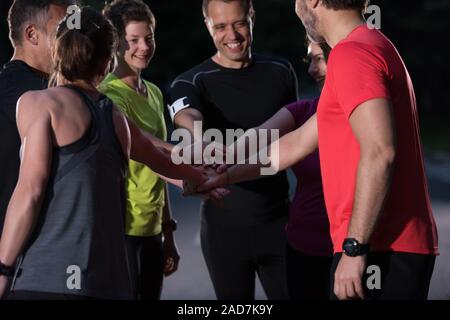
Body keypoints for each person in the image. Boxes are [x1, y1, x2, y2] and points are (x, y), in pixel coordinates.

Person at [200, 0, 439, 300]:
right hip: (379, 246)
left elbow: (380, 151)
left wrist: (354, 248)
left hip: (382, 247)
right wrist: (225, 176)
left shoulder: (353, 54)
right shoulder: (363, 46)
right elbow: (297, 143)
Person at [0, 6, 219, 300]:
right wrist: (203, 177)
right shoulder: (113, 114)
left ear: (59, 52)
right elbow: (160, 158)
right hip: (106, 282)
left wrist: (3, 271)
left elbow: (30, 192)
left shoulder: (38, 104)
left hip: (45, 278)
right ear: (107, 63)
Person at [168, 0, 299, 299]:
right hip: (224, 233)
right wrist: (201, 139)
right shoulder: (191, 80)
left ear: (252, 16)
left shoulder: (281, 71)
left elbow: (296, 137)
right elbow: (185, 114)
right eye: (221, 26)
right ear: (207, 26)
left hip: (282, 225)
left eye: (239, 23)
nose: (233, 35)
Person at [99, 0, 178, 300]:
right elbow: (148, 146)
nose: (144, 47)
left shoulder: (155, 92)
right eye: (134, 40)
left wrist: (168, 233)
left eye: (149, 38)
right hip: (123, 230)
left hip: (153, 230)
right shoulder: (108, 94)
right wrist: (196, 159)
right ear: (116, 44)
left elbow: (160, 167)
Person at [0, 0, 77, 236]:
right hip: (19, 251)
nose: (72, 42)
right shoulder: (21, 89)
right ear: (32, 34)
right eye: (62, 32)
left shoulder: (49, 87)